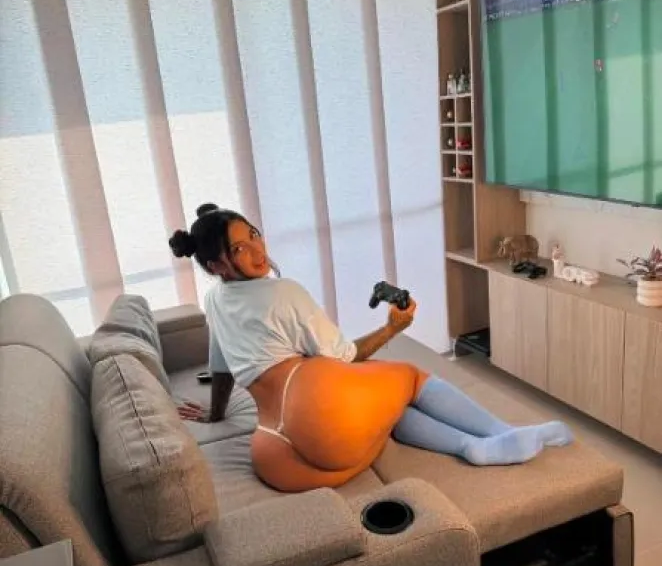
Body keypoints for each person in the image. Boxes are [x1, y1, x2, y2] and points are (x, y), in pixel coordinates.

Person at [169, 204, 573, 493]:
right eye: (239, 249)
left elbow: (220, 366)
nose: (258, 250)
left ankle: (477, 446)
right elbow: (345, 356)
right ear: (216, 265)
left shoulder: (213, 299)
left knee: (381, 405)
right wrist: (393, 327)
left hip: (273, 442)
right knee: (409, 378)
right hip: (315, 405)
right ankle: (502, 434)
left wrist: (216, 413)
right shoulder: (282, 293)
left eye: (254, 235)